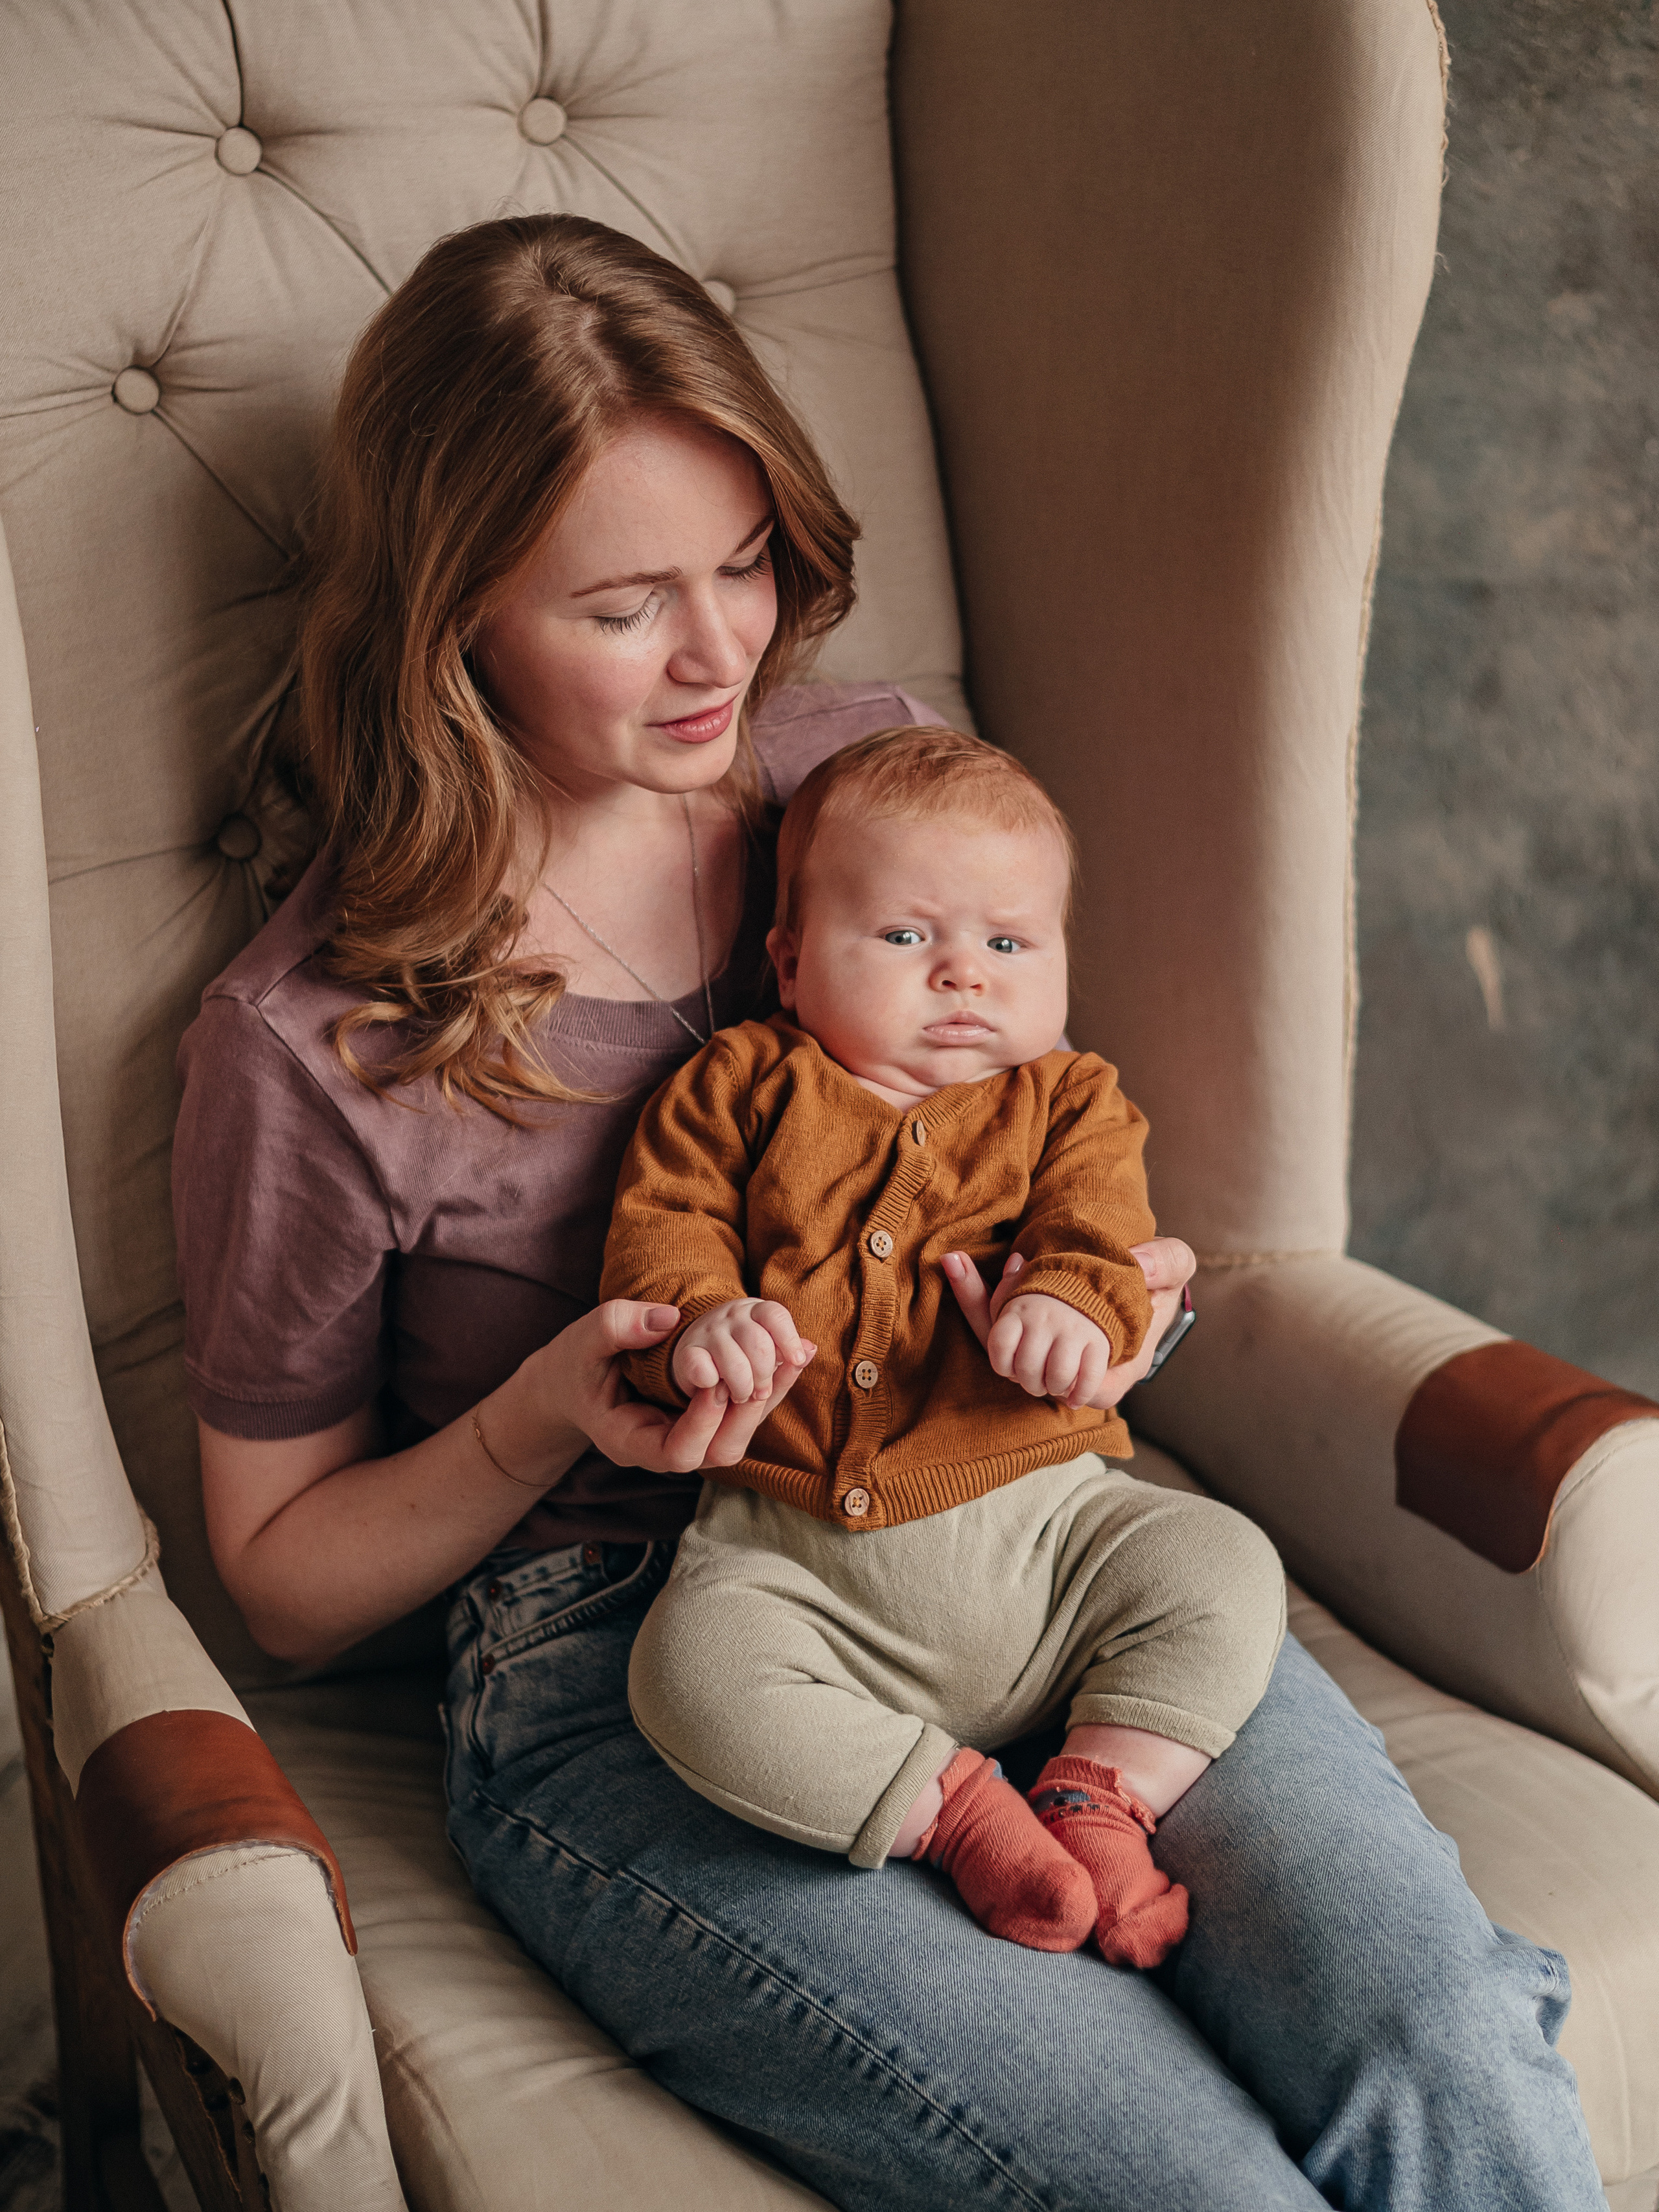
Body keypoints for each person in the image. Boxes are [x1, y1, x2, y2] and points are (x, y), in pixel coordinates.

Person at [174, 212, 1604, 2211]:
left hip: (1030, 1516)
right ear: (453, 609)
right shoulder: (312, 1033)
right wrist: (539, 1416)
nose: (722, 651)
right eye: (623, 605)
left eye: (745, 562)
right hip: (640, 1652)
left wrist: (1110, 1307)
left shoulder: (870, 780)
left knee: (1438, 2044)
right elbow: (284, 1581)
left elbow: (1058, 1138)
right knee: (1189, 2188)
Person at [603, 725, 1286, 1964]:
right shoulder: (738, 1084)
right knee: (685, 1673)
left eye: (1009, 944)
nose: (964, 975)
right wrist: (704, 1326)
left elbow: (1101, 1225)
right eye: (909, 937)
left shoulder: (1071, 1097)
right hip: (795, 1568)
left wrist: (1077, 1306)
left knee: (1222, 1561)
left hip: (1050, 1536)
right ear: (792, 959)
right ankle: (957, 1811)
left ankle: (1100, 1795)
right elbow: (666, 1232)